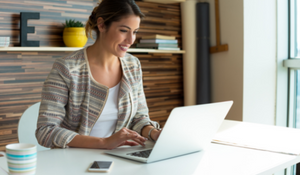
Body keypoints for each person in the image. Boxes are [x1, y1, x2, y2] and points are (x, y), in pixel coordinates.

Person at [35, 0, 161, 149]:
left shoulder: (133, 65)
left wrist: (154, 133)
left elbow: (138, 118)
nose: (131, 40)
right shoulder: (67, 69)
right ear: (101, 25)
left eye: (135, 32)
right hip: (74, 160)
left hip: (121, 158)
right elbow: (45, 131)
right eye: (123, 30)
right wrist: (104, 143)